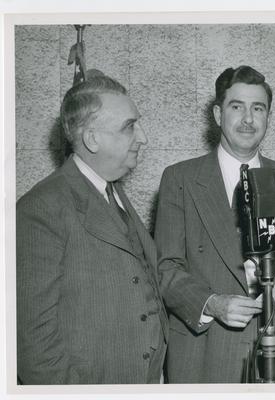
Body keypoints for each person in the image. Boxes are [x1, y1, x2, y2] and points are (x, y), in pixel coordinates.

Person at [155, 65, 275, 383]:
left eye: (258, 108)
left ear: (268, 116)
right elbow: (166, 269)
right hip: (207, 356)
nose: (248, 119)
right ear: (218, 114)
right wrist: (212, 303)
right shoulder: (180, 179)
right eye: (237, 107)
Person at [16, 73, 168, 384]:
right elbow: (33, 343)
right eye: (129, 126)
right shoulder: (41, 208)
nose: (143, 137)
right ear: (92, 138)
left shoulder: (112, 192)